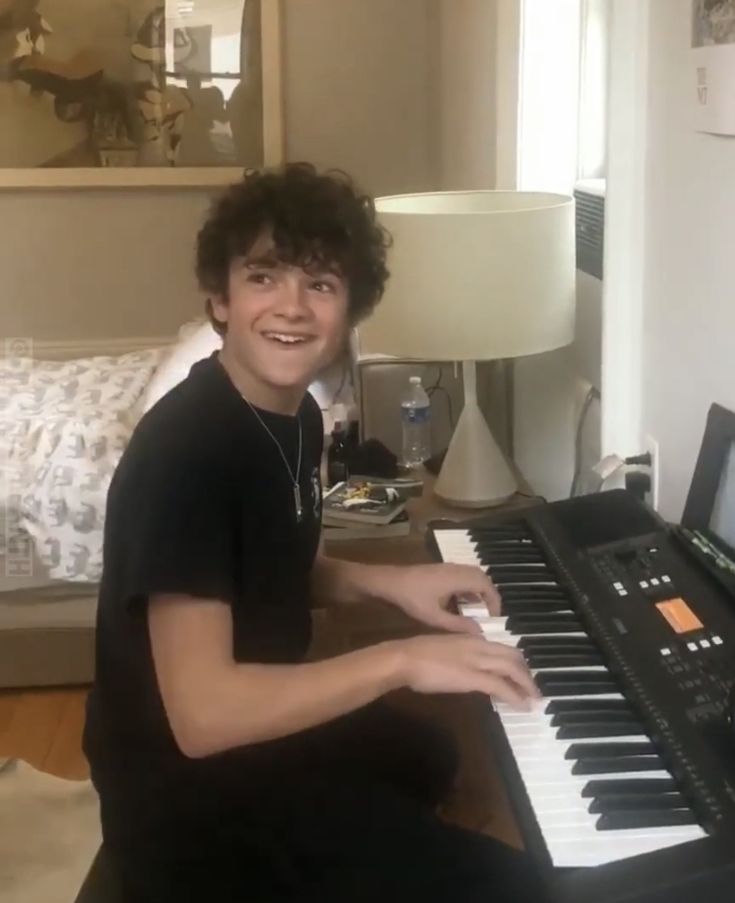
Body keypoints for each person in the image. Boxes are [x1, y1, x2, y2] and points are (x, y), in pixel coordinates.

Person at [83, 163, 547, 902]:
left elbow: (276, 564)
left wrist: (390, 582)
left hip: (258, 733)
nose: (292, 308)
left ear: (350, 310)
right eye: (264, 277)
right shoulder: (187, 457)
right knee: (518, 887)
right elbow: (203, 716)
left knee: (424, 753)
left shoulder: (291, 416)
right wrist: (400, 658)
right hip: (189, 798)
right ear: (220, 297)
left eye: (321, 284)